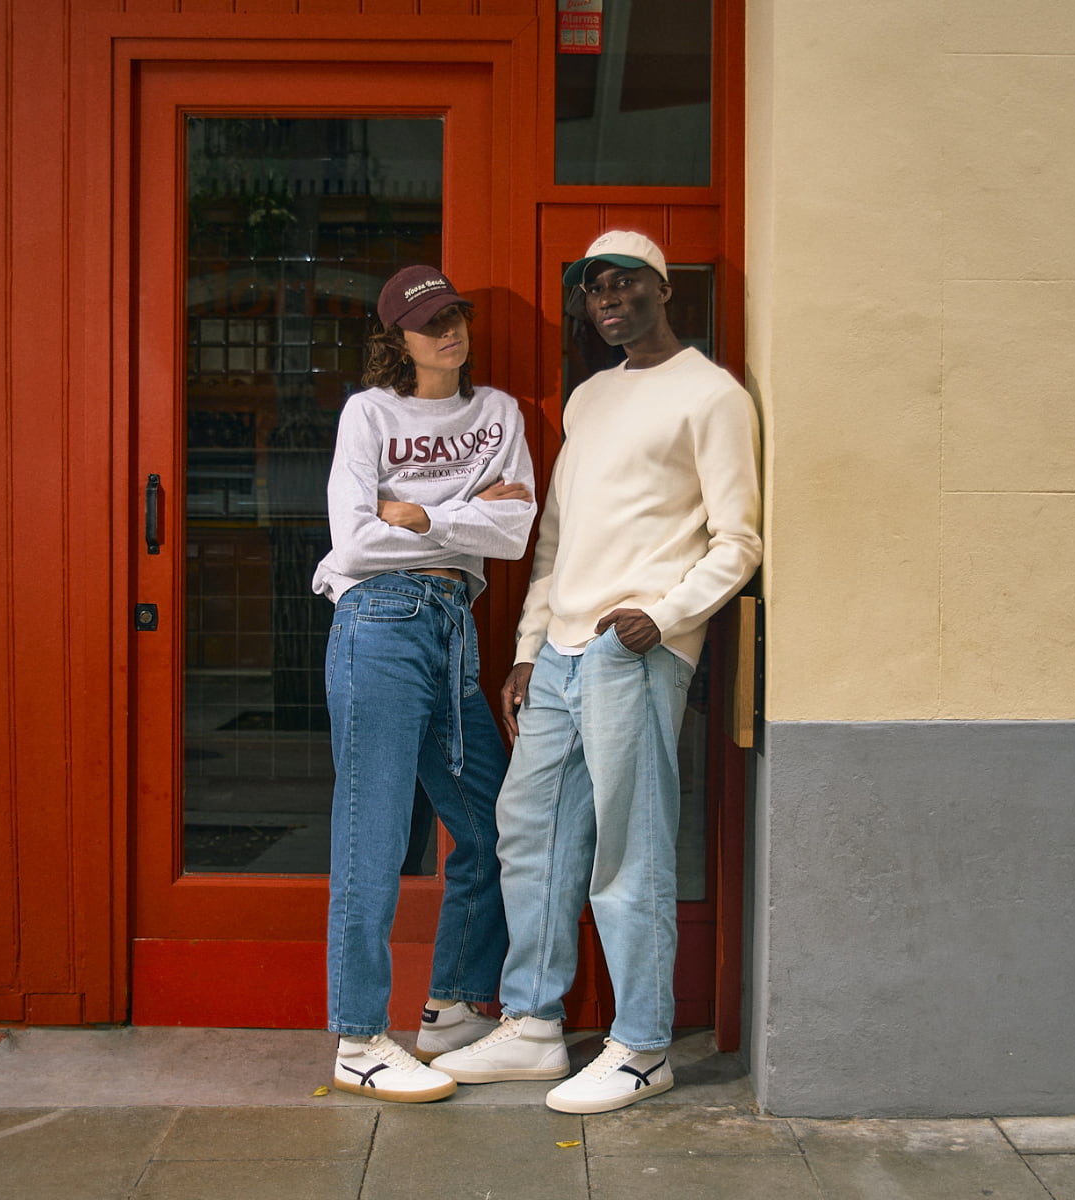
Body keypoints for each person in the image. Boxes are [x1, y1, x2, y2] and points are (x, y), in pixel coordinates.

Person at [433, 231, 762, 1113]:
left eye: (624, 283)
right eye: (593, 289)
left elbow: (739, 539)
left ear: (664, 288)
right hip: (563, 652)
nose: (606, 298)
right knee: (529, 835)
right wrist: (528, 650)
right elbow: (556, 537)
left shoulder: (712, 395)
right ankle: (536, 1026)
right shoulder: (589, 399)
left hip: (633, 650)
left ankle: (644, 1044)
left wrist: (663, 617)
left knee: (632, 848)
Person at [312, 265, 536, 1102]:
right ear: (396, 338)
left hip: (453, 629)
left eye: (456, 316)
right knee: (371, 832)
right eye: (430, 320)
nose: (449, 331)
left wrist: (423, 515)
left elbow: (513, 534)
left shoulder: (498, 413)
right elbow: (356, 542)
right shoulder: (369, 413)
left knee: (491, 820)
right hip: (380, 620)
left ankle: (447, 1006)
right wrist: (456, 518)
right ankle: (360, 1039)